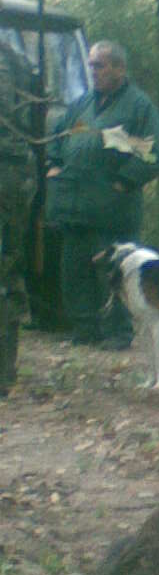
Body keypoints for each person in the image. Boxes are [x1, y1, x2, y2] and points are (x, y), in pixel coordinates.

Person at [45, 41, 159, 347]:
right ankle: (85, 329)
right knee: (74, 272)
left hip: (113, 210)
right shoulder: (82, 104)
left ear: (119, 69)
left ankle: (117, 332)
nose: (93, 71)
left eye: (99, 65)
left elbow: (153, 154)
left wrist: (123, 182)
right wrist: (54, 165)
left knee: (113, 274)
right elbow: (58, 136)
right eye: (91, 65)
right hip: (75, 207)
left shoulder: (139, 107)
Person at [0, 37, 36, 395]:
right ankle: (4, 371)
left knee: (6, 271)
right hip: (16, 170)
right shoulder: (16, 56)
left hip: (7, 170)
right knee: (8, 270)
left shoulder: (8, 59)